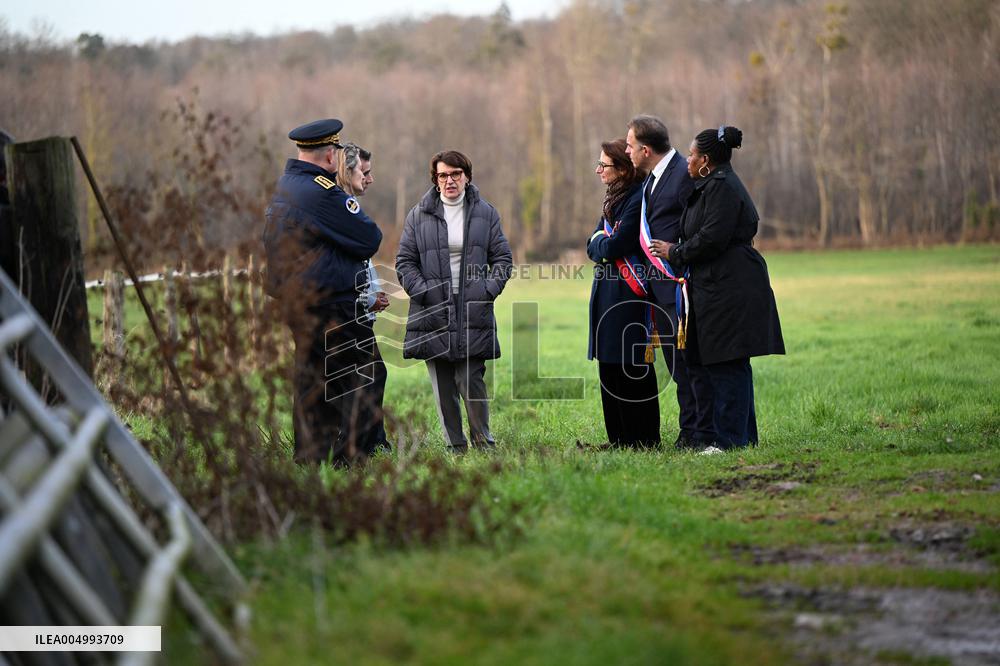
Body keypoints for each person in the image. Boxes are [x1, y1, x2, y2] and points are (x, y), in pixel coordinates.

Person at [651, 125, 785, 452]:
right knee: (724, 363)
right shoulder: (709, 185)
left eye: (693, 155)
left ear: (706, 160)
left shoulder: (722, 188)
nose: (688, 160)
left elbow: (712, 238)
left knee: (728, 363)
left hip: (732, 287)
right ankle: (742, 439)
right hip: (715, 287)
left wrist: (675, 252)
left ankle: (729, 441)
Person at [261, 119, 385, 465]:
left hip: (298, 301)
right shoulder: (320, 191)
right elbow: (369, 237)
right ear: (331, 155)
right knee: (362, 373)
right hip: (330, 301)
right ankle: (352, 455)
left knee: (313, 377)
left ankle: (311, 455)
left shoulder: (286, 186)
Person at [395, 150, 513, 452]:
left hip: (473, 307)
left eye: (456, 174)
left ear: (467, 176)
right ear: (435, 180)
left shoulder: (486, 213)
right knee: (443, 383)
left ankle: (483, 442)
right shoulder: (417, 215)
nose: (450, 180)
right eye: (443, 175)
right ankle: (455, 446)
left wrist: (487, 290)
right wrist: (423, 292)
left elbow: (502, 258)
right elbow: (405, 261)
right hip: (432, 308)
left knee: (471, 379)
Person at [625, 114, 716, 450]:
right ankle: (688, 431)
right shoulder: (650, 180)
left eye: (631, 145)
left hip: (682, 286)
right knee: (676, 367)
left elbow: (699, 225)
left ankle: (703, 432)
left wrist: (677, 253)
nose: (627, 150)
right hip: (660, 289)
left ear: (646, 150)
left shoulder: (682, 174)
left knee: (692, 365)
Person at [586, 139, 661, 448]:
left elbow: (615, 244)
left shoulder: (636, 197)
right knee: (609, 364)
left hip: (629, 294)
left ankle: (642, 439)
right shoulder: (612, 199)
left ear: (621, 169)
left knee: (630, 366)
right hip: (607, 291)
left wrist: (601, 244)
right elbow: (591, 244)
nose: (598, 170)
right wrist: (601, 244)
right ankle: (618, 439)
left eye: (604, 165)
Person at [335, 142, 391, 451]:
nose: (369, 179)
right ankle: (360, 445)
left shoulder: (349, 206)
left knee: (366, 376)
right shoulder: (342, 210)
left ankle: (374, 440)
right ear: (348, 171)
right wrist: (368, 299)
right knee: (369, 375)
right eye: (364, 173)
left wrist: (374, 293)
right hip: (349, 310)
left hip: (360, 308)